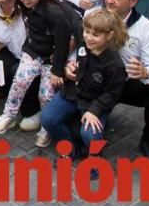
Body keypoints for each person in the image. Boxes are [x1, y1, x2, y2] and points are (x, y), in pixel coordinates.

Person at [0, 0, 75, 151]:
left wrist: (57, 70)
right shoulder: (23, 3)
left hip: (51, 59)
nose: (26, 1)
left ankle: (46, 127)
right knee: (20, 81)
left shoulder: (55, 13)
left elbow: (62, 42)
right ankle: (9, 115)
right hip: (33, 51)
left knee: (45, 95)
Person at [100, 0, 149, 173]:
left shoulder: (146, 28)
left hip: (127, 83)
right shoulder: (93, 14)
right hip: (99, 82)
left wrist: (145, 72)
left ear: (133, 1)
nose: (110, 0)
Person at [40, 9, 127, 160]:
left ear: (109, 36)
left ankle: (94, 159)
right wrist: (69, 70)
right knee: (48, 119)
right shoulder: (83, 45)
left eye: (96, 35)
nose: (89, 38)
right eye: (87, 32)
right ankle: (71, 149)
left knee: (89, 134)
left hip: (95, 101)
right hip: (73, 92)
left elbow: (113, 93)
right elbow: (77, 66)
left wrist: (94, 110)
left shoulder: (115, 65)